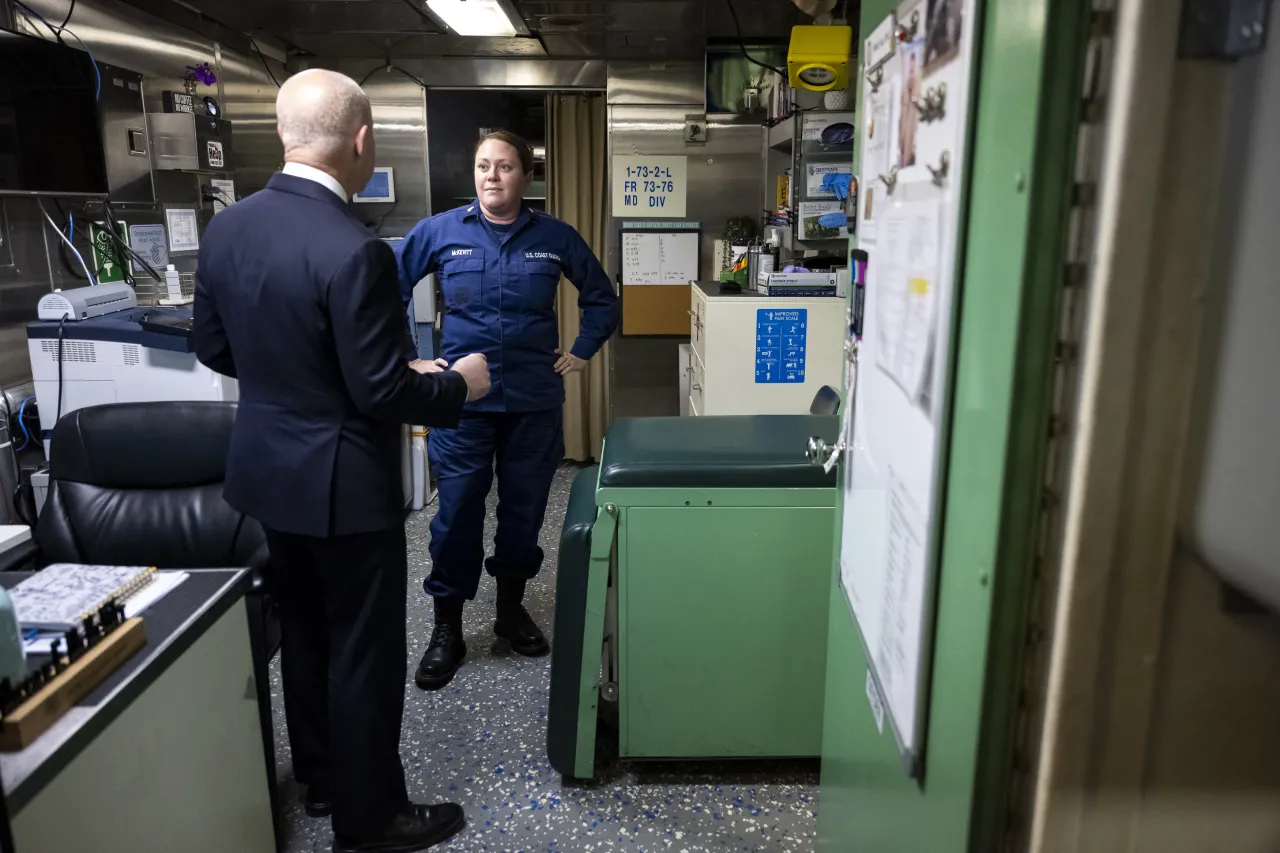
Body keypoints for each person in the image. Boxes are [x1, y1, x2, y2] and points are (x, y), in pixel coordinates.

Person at [194, 69, 491, 853]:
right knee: (363, 647)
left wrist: (311, 385)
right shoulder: (354, 248)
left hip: (268, 475)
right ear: (361, 141)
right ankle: (372, 817)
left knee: (309, 636)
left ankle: (322, 778)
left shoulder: (228, 228)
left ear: (286, 135)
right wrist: (456, 384)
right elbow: (383, 389)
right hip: (344, 486)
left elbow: (215, 345)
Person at [396, 130, 618, 690]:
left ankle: (510, 610)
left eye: (505, 167)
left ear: (526, 175)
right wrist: (411, 361)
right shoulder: (441, 232)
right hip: (462, 407)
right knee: (456, 518)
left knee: (523, 516)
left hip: (533, 405)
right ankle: (447, 625)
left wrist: (582, 352)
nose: (492, 176)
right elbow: (383, 290)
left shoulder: (553, 237)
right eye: (482, 166)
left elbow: (602, 298)